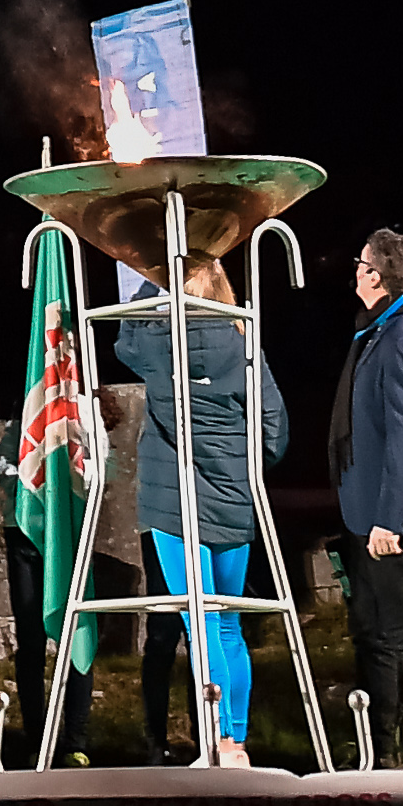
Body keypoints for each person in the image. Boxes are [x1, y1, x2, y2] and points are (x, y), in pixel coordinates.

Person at [111, 253, 287, 765]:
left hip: (174, 502)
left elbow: (124, 342)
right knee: (227, 623)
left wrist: (149, 281)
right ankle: (236, 741)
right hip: (234, 499)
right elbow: (274, 429)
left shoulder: (159, 341)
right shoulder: (243, 339)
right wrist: (236, 465)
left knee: (199, 621)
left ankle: (217, 741)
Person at [330, 228, 403, 768]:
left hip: (391, 516)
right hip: (366, 512)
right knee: (373, 634)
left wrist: (390, 519)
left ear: (377, 276)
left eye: (361, 264)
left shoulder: (402, 337)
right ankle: (377, 748)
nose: (355, 272)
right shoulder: (378, 331)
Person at [0, 413, 94, 766]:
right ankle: (36, 738)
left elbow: (99, 465)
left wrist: (67, 488)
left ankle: (75, 741)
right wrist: (36, 490)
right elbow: (3, 464)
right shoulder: (23, 414)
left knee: (76, 631)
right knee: (31, 639)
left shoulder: (83, 410)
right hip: (23, 531)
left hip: (70, 531)